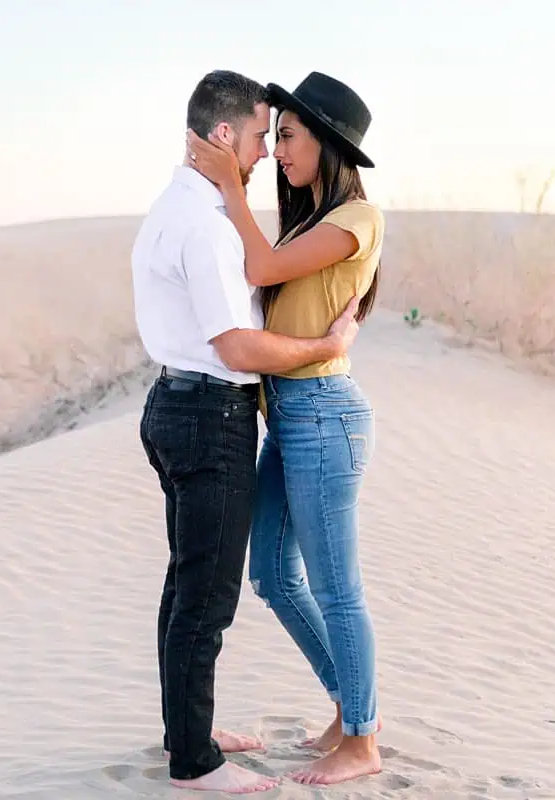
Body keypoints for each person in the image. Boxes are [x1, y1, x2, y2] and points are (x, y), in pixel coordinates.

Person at [131, 69, 364, 795]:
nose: (267, 152)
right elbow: (237, 346)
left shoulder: (176, 206)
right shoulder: (204, 222)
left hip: (182, 407)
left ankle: (187, 733)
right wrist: (323, 349)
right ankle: (195, 763)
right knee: (206, 596)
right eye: (263, 135)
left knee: (186, 586)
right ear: (225, 134)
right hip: (210, 417)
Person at [184, 70, 385, 786]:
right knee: (271, 572)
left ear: (328, 144)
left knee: (337, 589)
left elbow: (260, 263)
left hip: (326, 417)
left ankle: (362, 740)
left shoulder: (357, 220)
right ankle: (350, 704)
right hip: (292, 417)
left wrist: (229, 188)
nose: (278, 151)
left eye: (290, 136)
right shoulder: (309, 221)